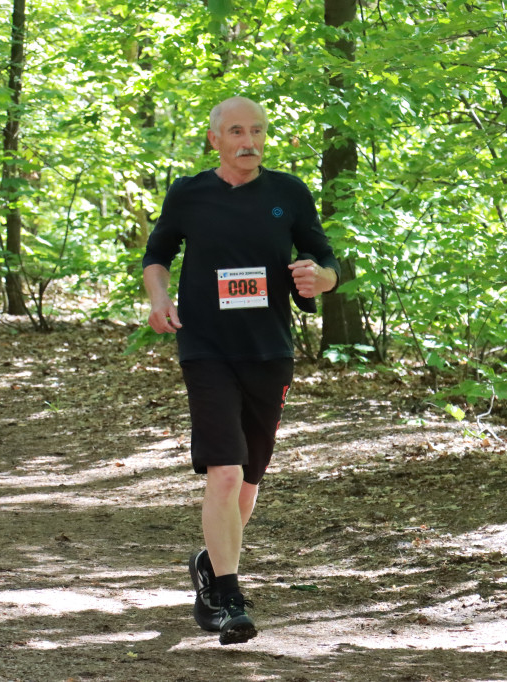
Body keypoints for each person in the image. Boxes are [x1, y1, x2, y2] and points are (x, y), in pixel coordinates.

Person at [142, 96, 340, 645]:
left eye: (257, 131)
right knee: (224, 474)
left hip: (268, 350)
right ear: (215, 140)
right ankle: (228, 599)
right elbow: (156, 255)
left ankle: (209, 563)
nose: (248, 141)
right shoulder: (188, 193)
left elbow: (326, 258)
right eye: (236, 131)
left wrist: (320, 279)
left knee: (248, 484)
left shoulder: (288, 193)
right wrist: (159, 297)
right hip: (205, 348)